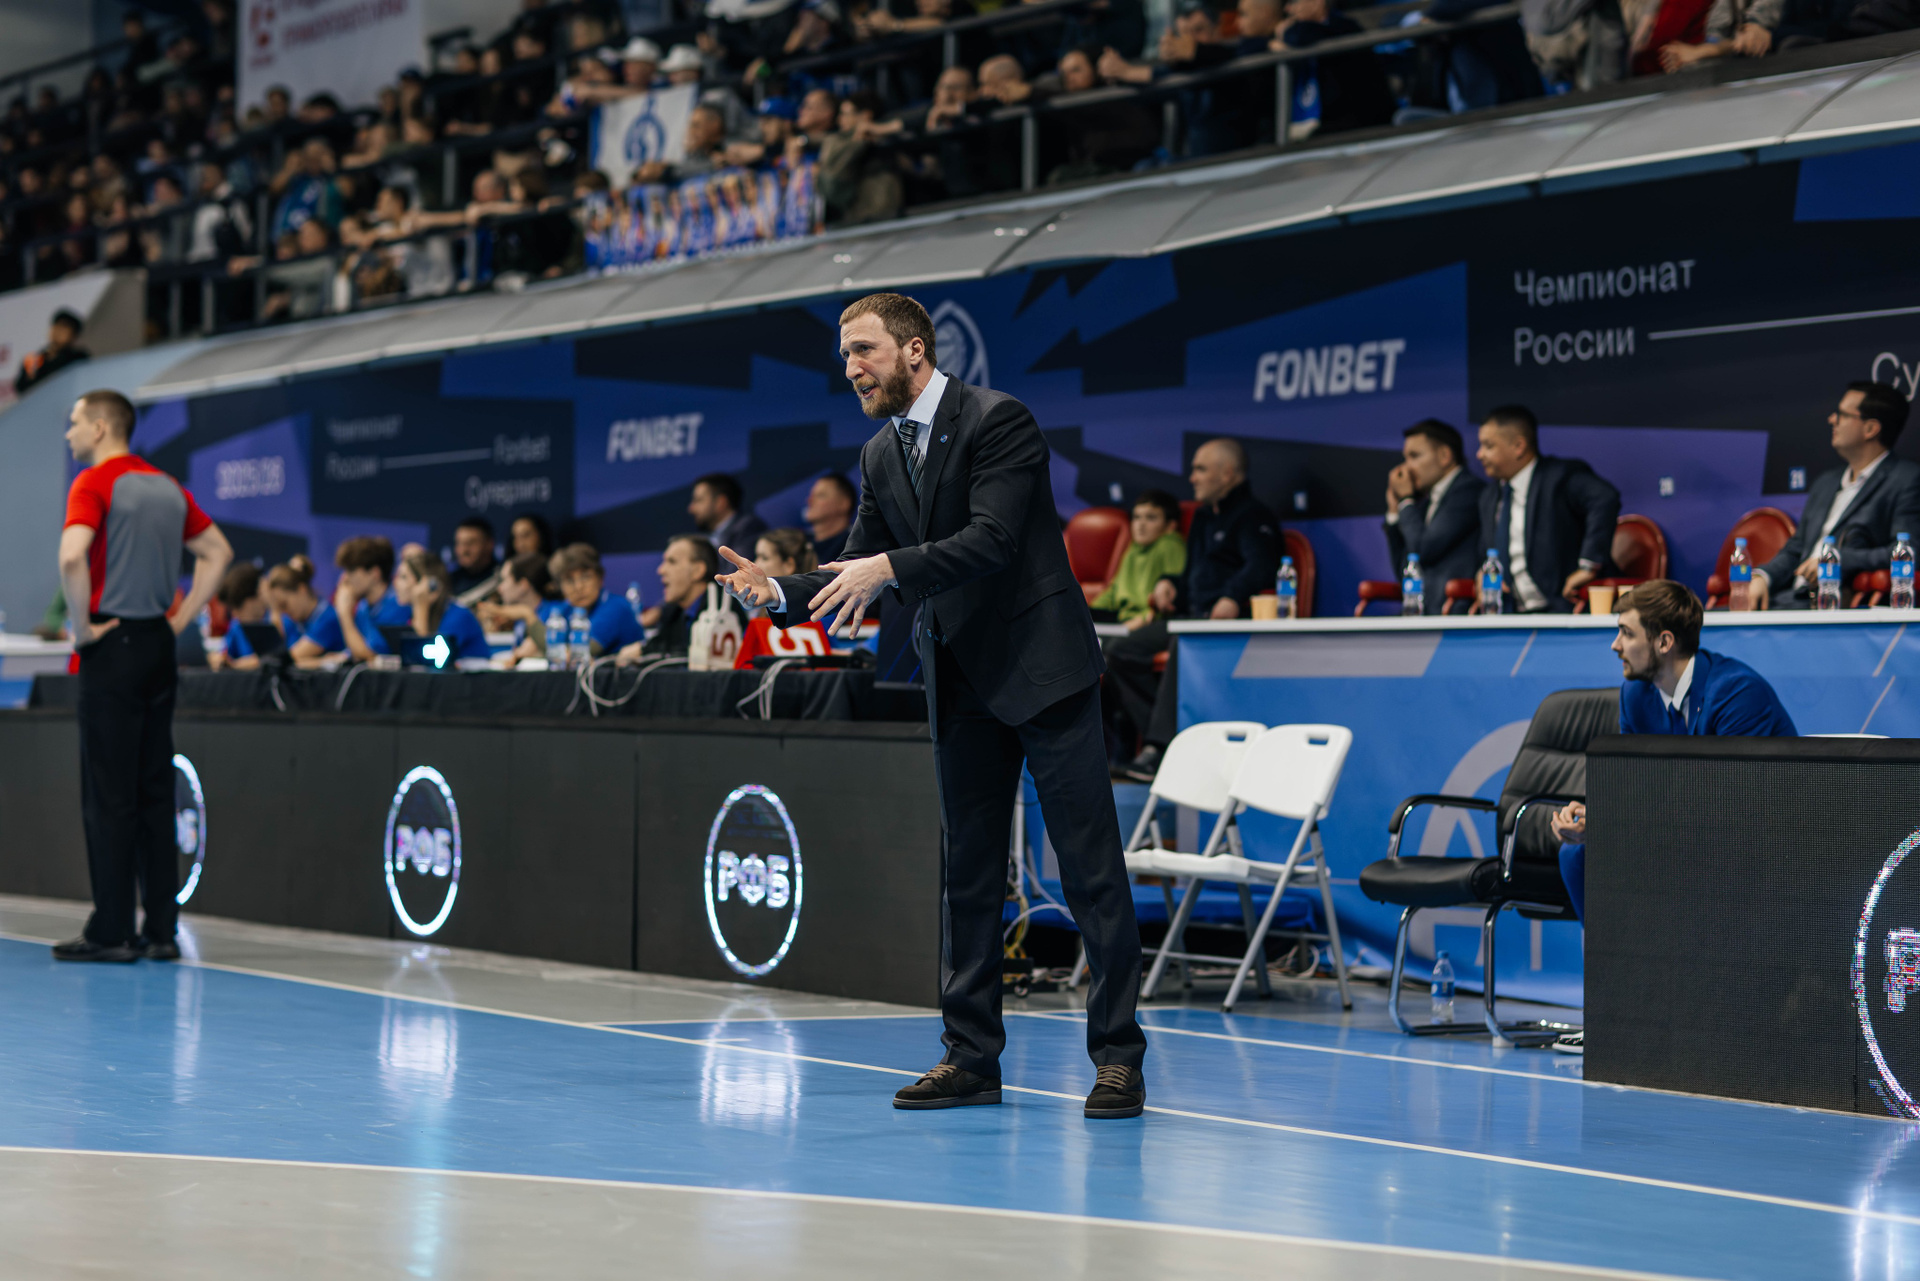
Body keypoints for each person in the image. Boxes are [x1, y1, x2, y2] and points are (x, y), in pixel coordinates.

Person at [714, 293, 1148, 1120]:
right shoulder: (881, 452)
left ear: (914, 349)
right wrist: (779, 590)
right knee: (968, 876)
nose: (851, 368)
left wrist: (886, 568)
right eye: (845, 355)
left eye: (864, 350)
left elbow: (993, 540)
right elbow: (857, 564)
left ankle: (1119, 1057)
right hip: (959, 676)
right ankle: (971, 1057)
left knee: (1091, 870)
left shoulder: (998, 419)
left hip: (1044, 669)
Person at [1548, 580, 1795, 1052]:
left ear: (1664, 642)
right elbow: (1636, 787)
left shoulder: (1737, 693)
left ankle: (1679, 1008)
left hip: (1758, 843)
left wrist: (1621, 824)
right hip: (1687, 833)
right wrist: (1595, 816)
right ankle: (1619, 1007)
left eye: (1626, 633)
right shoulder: (1635, 695)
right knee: (1577, 855)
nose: (1615, 645)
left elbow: (1731, 807)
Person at [56, 390, 232, 962]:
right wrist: (181, 617)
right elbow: (218, 551)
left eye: (75, 423)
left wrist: (82, 628)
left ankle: (112, 930)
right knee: (154, 788)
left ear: (100, 427)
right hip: (158, 644)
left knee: (109, 793)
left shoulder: (94, 483)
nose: (69, 434)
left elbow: (72, 556)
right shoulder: (168, 487)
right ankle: (161, 929)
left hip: (112, 644)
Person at [1109, 439, 1281, 780]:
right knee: (1120, 651)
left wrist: (1232, 597)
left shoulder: (1254, 516)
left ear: (1227, 473)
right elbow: (1192, 576)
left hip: (1228, 623)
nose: (1192, 478)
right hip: (1189, 618)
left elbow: (1261, 567)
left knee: (1183, 645)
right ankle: (1175, 743)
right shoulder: (1203, 516)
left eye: (1200, 469)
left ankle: (1158, 750)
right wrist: (1169, 583)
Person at [1751, 382, 1920, 610]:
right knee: (1711, 619)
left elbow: (1907, 551)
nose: (1832, 419)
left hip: (1833, 602)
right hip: (1787, 599)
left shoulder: (1906, 480)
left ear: (1870, 429)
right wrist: (1763, 576)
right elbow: (1796, 549)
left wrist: (1837, 559)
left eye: (1842, 414)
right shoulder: (1825, 483)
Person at [1475, 405, 1622, 614]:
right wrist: (1481, 574)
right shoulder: (1489, 496)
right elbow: (1487, 553)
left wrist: (1588, 566)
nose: (1479, 454)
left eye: (1488, 446)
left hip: (1565, 609)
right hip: (1511, 615)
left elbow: (1604, 499)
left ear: (1518, 446)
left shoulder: (1560, 477)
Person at [1384, 419, 1486, 614]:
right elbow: (1406, 570)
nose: (1406, 467)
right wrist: (1394, 513)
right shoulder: (1424, 505)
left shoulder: (1469, 491)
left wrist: (1405, 500)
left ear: (1445, 456)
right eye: (1406, 458)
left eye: (1414, 456)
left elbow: (1424, 549)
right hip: (1424, 614)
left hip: (1455, 615)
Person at [619, 533, 746, 660]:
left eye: (672, 561)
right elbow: (661, 643)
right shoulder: (672, 611)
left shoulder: (723, 609)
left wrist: (643, 651)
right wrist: (641, 650)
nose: (661, 570)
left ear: (697, 571)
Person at [291, 536, 409, 663]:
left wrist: (344, 613)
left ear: (374, 573)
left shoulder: (398, 605)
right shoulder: (363, 607)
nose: (344, 578)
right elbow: (354, 653)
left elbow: (368, 656)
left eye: (351, 570)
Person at [1091, 489, 1187, 625]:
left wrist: (1143, 618)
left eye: (1151, 518)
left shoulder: (1170, 545)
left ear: (1170, 526)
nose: (1141, 524)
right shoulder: (1133, 548)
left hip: (1149, 622)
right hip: (1122, 619)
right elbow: (1114, 591)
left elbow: (1170, 595)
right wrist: (1087, 612)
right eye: (1136, 517)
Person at [393, 549, 491, 663]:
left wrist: (421, 606)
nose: (395, 583)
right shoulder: (406, 612)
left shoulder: (459, 616)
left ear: (429, 585)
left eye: (403, 577)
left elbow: (423, 661)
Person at [552, 543, 645, 658]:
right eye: (570, 581)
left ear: (600, 579)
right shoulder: (565, 609)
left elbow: (581, 653)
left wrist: (530, 617)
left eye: (585, 577)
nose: (579, 587)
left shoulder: (616, 608)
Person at [486, 552, 556, 665]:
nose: (500, 588)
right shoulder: (519, 618)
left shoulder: (555, 613)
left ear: (523, 584)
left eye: (504, 580)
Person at [15, 309, 91, 396]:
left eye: (64, 328)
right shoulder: (33, 360)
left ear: (74, 336)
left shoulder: (78, 358)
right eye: (56, 325)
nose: (58, 331)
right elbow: (22, 389)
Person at [210, 562, 269, 670]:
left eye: (236, 607)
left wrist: (237, 665)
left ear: (254, 599)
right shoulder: (237, 627)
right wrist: (217, 659)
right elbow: (223, 656)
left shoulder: (280, 622)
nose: (234, 614)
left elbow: (281, 658)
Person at [689, 472, 766, 553]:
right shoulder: (705, 538)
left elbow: (738, 561)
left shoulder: (748, 528)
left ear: (720, 502)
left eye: (698, 500)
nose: (691, 509)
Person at [263, 558, 324, 654]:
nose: (283, 611)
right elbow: (270, 654)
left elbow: (287, 658)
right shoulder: (291, 620)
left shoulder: (327, 618)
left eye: (284, 604)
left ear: (301, 589)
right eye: (279, 607)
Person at [803, 473, 858, 565]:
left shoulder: (856, 547)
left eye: (821, 495)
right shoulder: (799, 543)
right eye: (812, 495)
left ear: (843, 504)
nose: (809, 500)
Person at [449, 516, 500, 599]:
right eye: (459, 543)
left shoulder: (503, 578)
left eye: (470, 543)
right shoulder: (448, 581)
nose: (463, 550)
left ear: (489, 544)